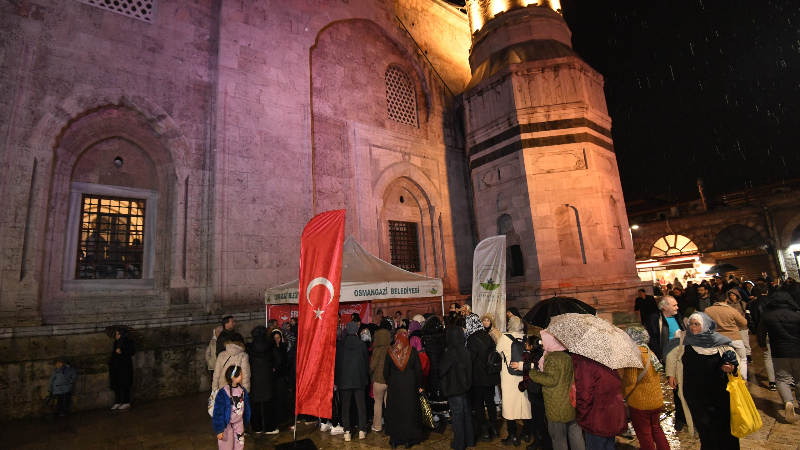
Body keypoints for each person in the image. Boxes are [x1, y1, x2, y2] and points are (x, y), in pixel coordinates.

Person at [665, 313, 740, 449]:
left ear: (706, 326)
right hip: (695, 392)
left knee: (723, 423)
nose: (692, 327)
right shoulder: (683, 339)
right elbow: (671, 355)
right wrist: (671, 374)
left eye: (696, 324)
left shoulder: (718, 341)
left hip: (719, 391)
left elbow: (734, 358)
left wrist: (732, 367)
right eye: (691, 323)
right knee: (703, 424)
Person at [528, 331, 584, 450]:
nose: (542, 343)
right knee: (575, 434)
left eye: (544, 340)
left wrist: (533, 373)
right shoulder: (567, 356)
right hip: (569, 402)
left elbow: (551, 380)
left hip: (556, 405)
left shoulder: (552, 358)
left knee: (558, 438)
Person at [622, 327, 670, 450]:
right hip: (656, 399)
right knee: (656, 429)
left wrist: (621, 396)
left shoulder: (634, 355)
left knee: (644, 433)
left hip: (641, 402)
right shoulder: (649, 352)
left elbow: (630, 381)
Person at [643, 295, 686, 430]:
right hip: (669, 356)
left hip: (683, 353)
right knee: (676, 385)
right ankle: (680, 417)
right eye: (674, 305)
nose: (677, 307)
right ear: (665, 307)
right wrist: (661, 356)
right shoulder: (655, 318)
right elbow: (653, 339)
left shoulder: (678, 316)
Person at [756, 291, 800, 423]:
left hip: (779, 352)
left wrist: (762, 345)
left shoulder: (767, 316)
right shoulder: (797, 315)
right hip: (798, 351)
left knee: (782, 379)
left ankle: (788, 402)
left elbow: (760, 332)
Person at [571, 350, 626, 449]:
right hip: (613, 413)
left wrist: (581, 416)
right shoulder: (610, 360)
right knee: (609, 445)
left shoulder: (586, 363)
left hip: (596, 417)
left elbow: (585, 395)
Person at [384, 329, 425, 449]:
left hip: (394, 387)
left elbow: (385, 371)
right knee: (409, 412)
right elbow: (418, 370)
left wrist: (390, 382)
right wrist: (420, 385)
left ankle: (394, 440)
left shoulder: (390, 351)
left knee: (395, 412)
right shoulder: (412, 351)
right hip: (410, 386)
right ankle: (408, 440)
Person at [498, 316, 532, 446]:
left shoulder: (504, 338)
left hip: (509, 377)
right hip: (524, 374)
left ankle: (512, 435)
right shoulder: (525, 338)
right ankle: (526, 433)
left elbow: (498, 352)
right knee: (525, 404)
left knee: (510, 405)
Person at [441, 325, 476, 450]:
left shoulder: (451, 352)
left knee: (457, 416)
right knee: (466, 414)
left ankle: (459, 443)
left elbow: (442, 369)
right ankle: (470, 440)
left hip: (455, 388)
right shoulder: (465, 349)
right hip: (465, 387)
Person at [467, 314, 501, 441]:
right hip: (490, 375)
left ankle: (484, 430)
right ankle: (494, 428)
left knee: (478, 403)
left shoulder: (472, 339)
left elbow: (470, 358)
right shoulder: (487, 336)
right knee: (490, 401)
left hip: (478, 377)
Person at [335, 321, 370, 441]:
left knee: (345, 407)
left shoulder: (340, 344)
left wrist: (337, 380)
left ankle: (347, 432)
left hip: (344, 379)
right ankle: (361, 430)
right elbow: (366, 363)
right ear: (356, 331)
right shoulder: (362, 344)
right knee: (361, 406)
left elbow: (337, 363)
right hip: (359, 378)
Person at [519, 336, 552, 450]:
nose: (525, 344)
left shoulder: (533, 357)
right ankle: (540, 441)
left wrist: (523, 366)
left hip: (536, 391)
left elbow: (532, 373)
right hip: (540, 391)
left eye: (527, 343)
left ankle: (544, 442)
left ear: (531, 346)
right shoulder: (543, 355)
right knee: (540, 418)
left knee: (538, 419)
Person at [704, 292, 749, 377]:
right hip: (735, 338)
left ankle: (726, 378)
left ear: (714, 300)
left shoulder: (708, 310)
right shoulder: (731, 310)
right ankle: (743, 378)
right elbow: (744, 322)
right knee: (742, 359)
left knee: (723, 361)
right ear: (726, 300)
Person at [246, 326, 279, 435]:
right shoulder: (270, 346)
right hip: (267, 378)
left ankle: (256, 427)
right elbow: (278, 359)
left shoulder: (249, 348)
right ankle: (269, 428)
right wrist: (272, 367)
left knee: (254, 405)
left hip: (253, 379)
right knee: (268, 405)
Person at [213, 365, 251, 450]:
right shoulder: (223, 392)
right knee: (226, 447)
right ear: (233, 377)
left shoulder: (243, 390)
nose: (242, 376)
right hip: (227, 427)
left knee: (239, 446)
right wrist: (219, 429)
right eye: (240, 374)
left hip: (239, 425)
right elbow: (218, 412)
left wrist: (246, 421)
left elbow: (246, 407)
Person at [422, 315, 449, 424]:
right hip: (443, 369)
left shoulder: (426, 339)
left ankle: (435, 413)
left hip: (431, 370)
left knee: (433, 391)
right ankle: (445, 411)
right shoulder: (445, 337)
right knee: (442, 390)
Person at [109, 329, 136, 410]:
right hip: (116, 366)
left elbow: (132, 352)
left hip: (125, 367)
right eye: (116, 334)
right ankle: (117, 402)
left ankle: (126, 402)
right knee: (116, 384)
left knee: (125, 384)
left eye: (118, 334)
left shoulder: (129, 341)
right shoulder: (116, 342)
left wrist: (122, 352)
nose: (116, 336)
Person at [370, 328, 391, 432]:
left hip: (378, 380)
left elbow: (372, 365)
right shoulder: (391, 349)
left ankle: (377, 426)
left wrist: (370, 374)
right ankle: (391, 424)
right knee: (389, 403)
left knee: (378, 403)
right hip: (389, 380)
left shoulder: (377, 350)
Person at [726, 289, 752, 362]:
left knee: (745, 341)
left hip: (742, 326)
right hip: (732, 326)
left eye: (733, 295)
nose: (732, 297)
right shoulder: (727, 305)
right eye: (730, 295)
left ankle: (748, 354)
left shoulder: (742, 303)